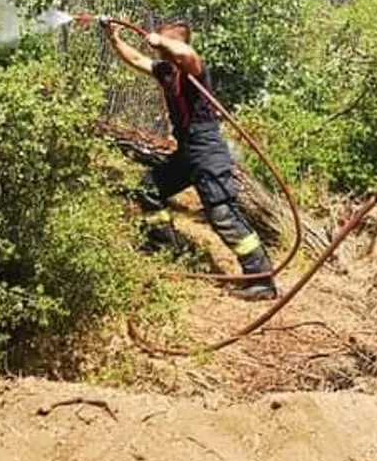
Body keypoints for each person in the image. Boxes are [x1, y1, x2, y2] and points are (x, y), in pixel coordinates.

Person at [102, 17, 278, 301]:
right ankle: (166, 247)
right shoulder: (165, 71)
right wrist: (114, 39)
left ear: (176, 41)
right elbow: (136, 59)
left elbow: (188, 54)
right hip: (187, 150)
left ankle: (261, 279)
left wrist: (162, 41)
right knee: (149, 188)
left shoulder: (194, 70)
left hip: (207, 149)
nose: (157, 45)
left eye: (165, 39)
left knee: (221, 213)